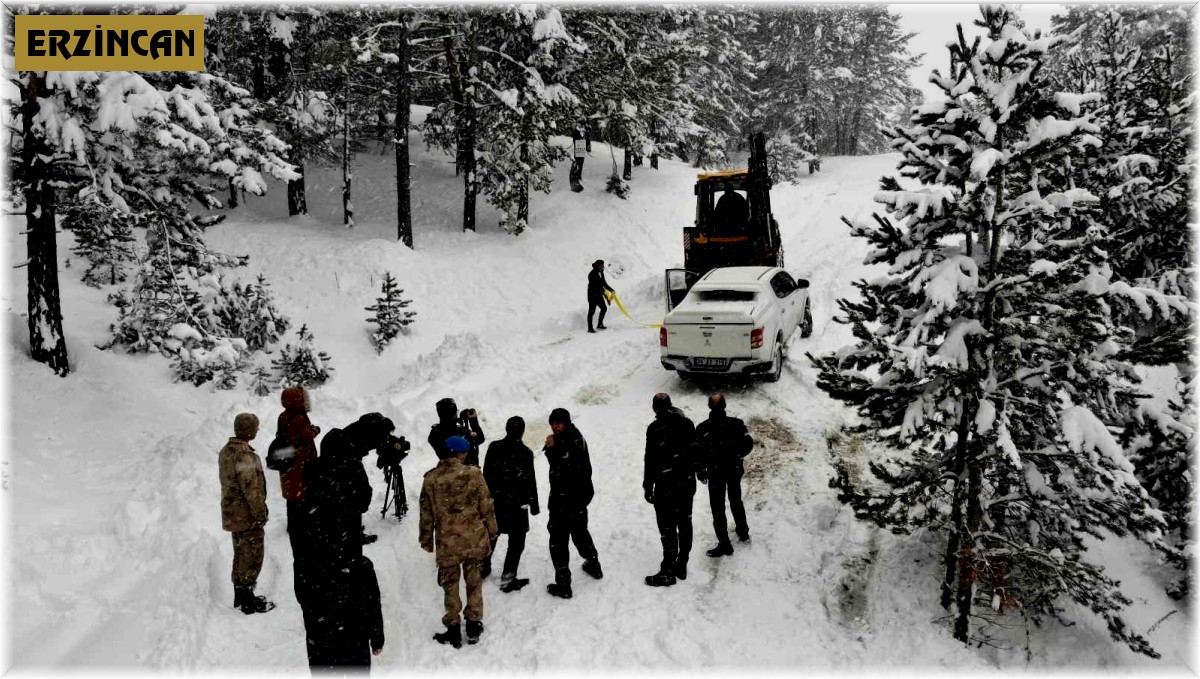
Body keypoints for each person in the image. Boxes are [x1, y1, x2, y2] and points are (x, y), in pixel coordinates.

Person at [420, 435, 499, 648]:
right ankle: (473, 625)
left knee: (449, 585)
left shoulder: (431, 479)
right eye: (464, 453)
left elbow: (426, 513)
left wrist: (426, 539)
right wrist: (492, 529)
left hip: (447, 543)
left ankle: (453, 628)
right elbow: (486, 504)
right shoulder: (473, 474)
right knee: (474, 582)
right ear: (460, 454)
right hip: (473, 538)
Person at [543, 408, 603, 599]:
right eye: (552, 423)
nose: (554, 426)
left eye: (558, 423)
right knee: (579, 532)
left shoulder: (571, 440)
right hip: (576, 497)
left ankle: (563, 585)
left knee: (558, 540)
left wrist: (551, 450)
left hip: (566, 498)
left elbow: (565, 468)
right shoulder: (571, 436)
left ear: (567, 422)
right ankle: (593, 563)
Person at [218, 413, 275, 614]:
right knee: (252, 555)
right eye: (255, 427)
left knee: (241, 554)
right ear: (249, 430)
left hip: (233, 514)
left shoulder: (227, 451)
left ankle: (240, 596)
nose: (257, 430)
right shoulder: (245, 455)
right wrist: (260, 513)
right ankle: (248, 602)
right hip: (246, 515)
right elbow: (251, 489)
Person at [643, 393, 697, 587]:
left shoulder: (655, 428)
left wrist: (648, 485)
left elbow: (650, 459)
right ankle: (682, 562)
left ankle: (668, 569)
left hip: (666, 485)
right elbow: (695, 451)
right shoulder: (687, 424)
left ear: (654, 408)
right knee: (685, 522)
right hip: (686, 483)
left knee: (667, 526)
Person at [482, 416, 540, 591]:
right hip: (518, 505)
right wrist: (534, 506)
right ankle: (508, 578)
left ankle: (483, 568)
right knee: (516, 543)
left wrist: (486, 500)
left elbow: (486, 475)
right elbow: (530, 481)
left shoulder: (494, 447)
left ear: (506, 429)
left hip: (496, 503)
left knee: (492, 537)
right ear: (522, 432)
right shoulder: (526, 453)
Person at [695, 393, 755, 556]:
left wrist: (700, 470)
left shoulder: (702, 428)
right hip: (732, 470)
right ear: (725, 405)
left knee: (718, 508)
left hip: (715, 472)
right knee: (735, 501)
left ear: (709, 406)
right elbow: (748, 444)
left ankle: (725, 543)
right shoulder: (736, 424)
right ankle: (742, 532)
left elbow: (697, 453)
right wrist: (736, 456)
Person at [303, 554, 384, 672]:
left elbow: (304, 599)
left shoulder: (309, 562)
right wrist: (377, 639)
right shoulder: (360, 563)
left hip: (322, 641)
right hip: (355, 640)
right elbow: (372, 604)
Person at [275, 386, 321, 568]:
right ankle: (303, 528)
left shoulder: (284, 415)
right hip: (300, 464)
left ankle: (293, 525)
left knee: (292, 497)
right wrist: (316, 429)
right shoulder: (299, 418)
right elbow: (307, 435)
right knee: (303, 495)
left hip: (288, 461)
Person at [427, 398, 486, 467]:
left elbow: (447, 426)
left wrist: (462, 420)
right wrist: (473, 421)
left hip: (449, 473)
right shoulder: (459, 431)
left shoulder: (435, 434)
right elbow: (479, 439)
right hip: (469, 474)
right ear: (453, 414)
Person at [587, 259, 614, 334]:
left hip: (598, 294)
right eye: (602, 265)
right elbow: (599, 287)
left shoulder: (600, 272)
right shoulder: (592, 274)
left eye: (603, 265)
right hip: (592, 295)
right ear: (598, 265)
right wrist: (606, 297)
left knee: (604, 308)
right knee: (591, 311)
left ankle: (599, 324)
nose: (603, 267)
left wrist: (611, 290)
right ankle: (590, 328)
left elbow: (604, 283)